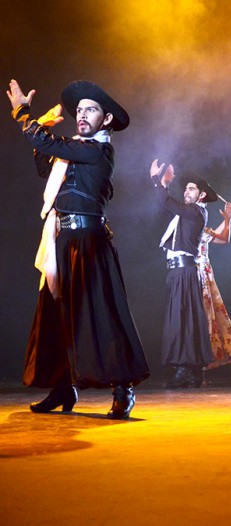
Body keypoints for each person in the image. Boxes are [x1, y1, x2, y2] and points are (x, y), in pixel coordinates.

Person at [6, 79, 149, 419]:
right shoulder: (73, 148)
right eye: (80, 110)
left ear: (107, 119)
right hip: (62, 241)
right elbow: (45, 164)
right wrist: (40, 133)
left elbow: (44, 142)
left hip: (89, 243)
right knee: (57, 318)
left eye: (92, 109)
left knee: (101, 315)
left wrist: (25, 115)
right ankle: (62, 388)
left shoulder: (98, 151)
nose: (82, 115)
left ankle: (122, 387)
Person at [150, 161, 215, 388]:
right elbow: (167, 205)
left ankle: (185, 370)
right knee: (186, 318)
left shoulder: (197, 212)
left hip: (184, 271)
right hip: (179, 272)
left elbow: (167, 202)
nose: (187, 192)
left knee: (182, 320)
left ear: (202, 195)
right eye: (186, 188)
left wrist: (159, 182)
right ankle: (194, 370)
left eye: (192, 189)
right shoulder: (187, 213)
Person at [197, 201, 231, 372]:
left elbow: (221, 237)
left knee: (208, 315)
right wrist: (228, 220)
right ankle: (196, 360)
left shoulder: (199, 228)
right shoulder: (190, 225)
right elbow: (220, 236)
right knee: (202, 315)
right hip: (194, 272)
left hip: (202, 273)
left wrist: (229, 220)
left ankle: (202, 360)